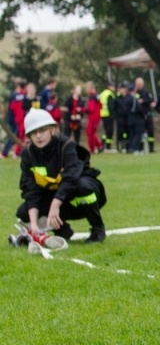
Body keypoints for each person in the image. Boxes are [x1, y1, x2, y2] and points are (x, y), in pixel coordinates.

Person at [15, 108, 106, 243]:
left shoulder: (66, 146)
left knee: (83, 187)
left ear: (52, 129)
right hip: (54, 199)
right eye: (34, 133)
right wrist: (33, 225)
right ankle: (62, 230)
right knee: (24, 212)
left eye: (43, 130)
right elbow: (30, 190)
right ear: (29, 136)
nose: (38, 136)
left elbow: (71, 178)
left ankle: (97, 228)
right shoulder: (28, 155)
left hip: (76, 197)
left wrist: (55, 205)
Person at [133, 77, 156, 152]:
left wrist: (143, 101)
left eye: (140, 84)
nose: (139, 85)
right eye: (138, 84)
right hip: (138, 116)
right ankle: (140, 148)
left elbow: (151, 101)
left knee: (150, 132)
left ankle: (151, 147)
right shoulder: (134, 93)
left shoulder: (147, 93)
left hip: (147, 115)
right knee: (140, 132)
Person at [98, 80, 116, 152]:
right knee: (109, 130)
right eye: (113, 86)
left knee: (107, 130)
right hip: (108, 114)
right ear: (109, 86)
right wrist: (113, 115)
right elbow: (110, 106)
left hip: (102, 114)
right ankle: (104, 144)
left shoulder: (102, 94)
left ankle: (107, 145)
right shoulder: (109, 94)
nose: (114, 87)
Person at [85, 81, 103, 153]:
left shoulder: (92, 97)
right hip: (96, 116)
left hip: (93, 117)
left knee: (90, 133)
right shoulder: (97, 96)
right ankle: (99, 145)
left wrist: (83, 110)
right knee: (90, 133)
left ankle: (92, 148)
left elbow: (91, 109)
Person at [113, 83, 131, 152]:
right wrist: (116, 117)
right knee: (120, 133)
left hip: (127, 119)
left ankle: (127, 146)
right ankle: (119, 146)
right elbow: (113, 109)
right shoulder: (117, 99)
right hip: (120, 119)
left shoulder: (128, 98)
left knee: (127, 133)